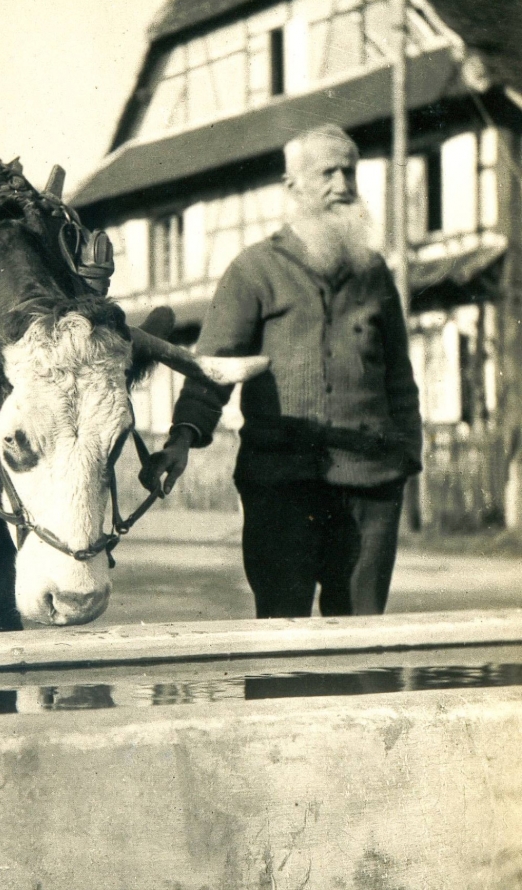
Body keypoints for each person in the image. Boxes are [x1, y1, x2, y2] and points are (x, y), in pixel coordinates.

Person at [140, 124, 422, 619]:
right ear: (293, 188)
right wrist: (182, 437)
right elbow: (212, 369)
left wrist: (406, 460)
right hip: (282, 484)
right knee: (281, 635)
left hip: (373, 484)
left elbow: (399, 379)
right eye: (327, 173)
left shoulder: (375, 273)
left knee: (362, 641)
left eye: (349, 171)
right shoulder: (253, 270)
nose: (343, 184)